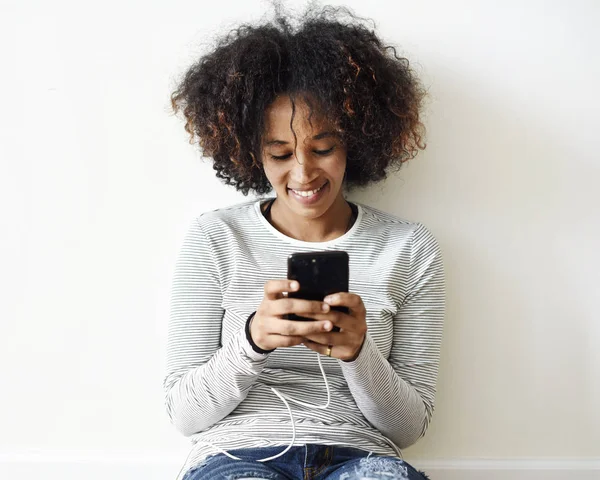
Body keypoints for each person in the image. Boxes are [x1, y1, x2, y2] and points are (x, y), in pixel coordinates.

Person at [164, 5, 445, 480]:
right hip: (237, 456)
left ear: (355, 141)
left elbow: (409, 426)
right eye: (279, 153)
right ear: (250, 151)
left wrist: (358, 351)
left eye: (322, 149)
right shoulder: (216, 238)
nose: (302, 174)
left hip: (362, 457)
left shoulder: (410, 248)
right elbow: (184, 414)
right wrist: (253, 340)